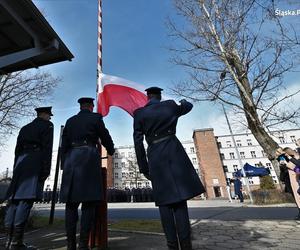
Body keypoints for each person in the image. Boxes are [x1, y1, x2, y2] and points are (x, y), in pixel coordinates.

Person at [133, 87, 205, 250]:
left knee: (164, 203)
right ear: (159, 96)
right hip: (174, 153)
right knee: (180, 202)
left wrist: (144, 167)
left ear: (147, 97)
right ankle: (186, 245)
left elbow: (138, 142)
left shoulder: (139, 114)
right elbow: (188, 106)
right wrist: (182, 102)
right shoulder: (170, 106)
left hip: (156, 156)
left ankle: (172, 245)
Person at [59, 97, 114, 250]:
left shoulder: (70, 121)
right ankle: (83, 244)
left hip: (71, 160)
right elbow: (105, 136)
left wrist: (65, 165)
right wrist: (111, 149)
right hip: (88, 159)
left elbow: (63, 146)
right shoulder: (96, 118)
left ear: (80, 106)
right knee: (89, 204)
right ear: (91, 106)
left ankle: (70, 245)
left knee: (71, 205)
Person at [4, 107, 54, 250]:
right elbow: (47, 148)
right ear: (44, 115)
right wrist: (45, 170)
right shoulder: (47, 126)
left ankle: (8, 241)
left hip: (21, 163)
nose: (50, 118)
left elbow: (17, 150)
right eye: (49, 116)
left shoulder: (25, 128)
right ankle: (16, 243)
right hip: (34, 161)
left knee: (13, 201)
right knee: (25, 200)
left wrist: (16, 168)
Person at [276, 147, 300, 219]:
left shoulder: (294, 158)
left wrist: (288, 165)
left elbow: (297, 168)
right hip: (289, 180)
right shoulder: (282, 158)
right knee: (295, 197)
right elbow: (283, 170)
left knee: (297, 196)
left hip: (295, 180)